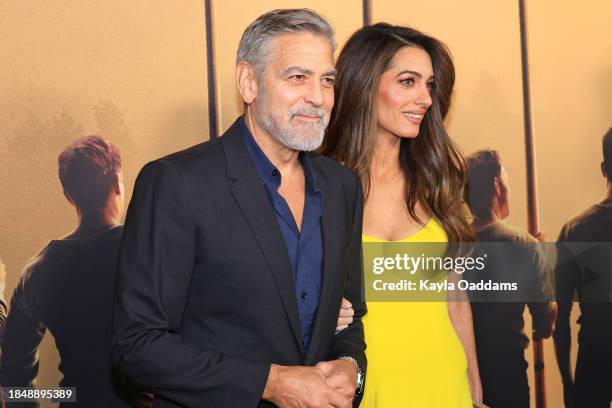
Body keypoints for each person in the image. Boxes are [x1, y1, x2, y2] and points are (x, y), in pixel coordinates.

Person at [111, 9, 365, 408]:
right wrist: (271, 382)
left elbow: (350, 315)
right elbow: (138, 344)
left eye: (327, 80)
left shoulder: (341, 187)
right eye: (298, 77)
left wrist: (351, 363)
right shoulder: (178, 183)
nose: (318, 97)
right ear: (249, 82)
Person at [322, 23, 482, 407]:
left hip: (444, 379)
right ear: (364, 83)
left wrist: (475, 387)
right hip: (358, 384)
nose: (426, 98)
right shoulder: (320, 185)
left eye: (429, 85)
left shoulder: (437, 181)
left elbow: (455, 298)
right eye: (408, 82)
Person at [0, 136, 130, 407]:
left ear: (68, 195)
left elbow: (14, 370)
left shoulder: (39, 271)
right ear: (117, 182)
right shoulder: (147, 250)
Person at [466, 149, 557, 408]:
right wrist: (543, 261)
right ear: (497, 185)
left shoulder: (453, 243)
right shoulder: (523, 244)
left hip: (462, 374)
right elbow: (544, 322)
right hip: (508, 376)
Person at [554, 128, 612, 408]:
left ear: (604, 168)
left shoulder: (575, 230)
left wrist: (567, 382)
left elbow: (561, 317)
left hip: (594, 358)